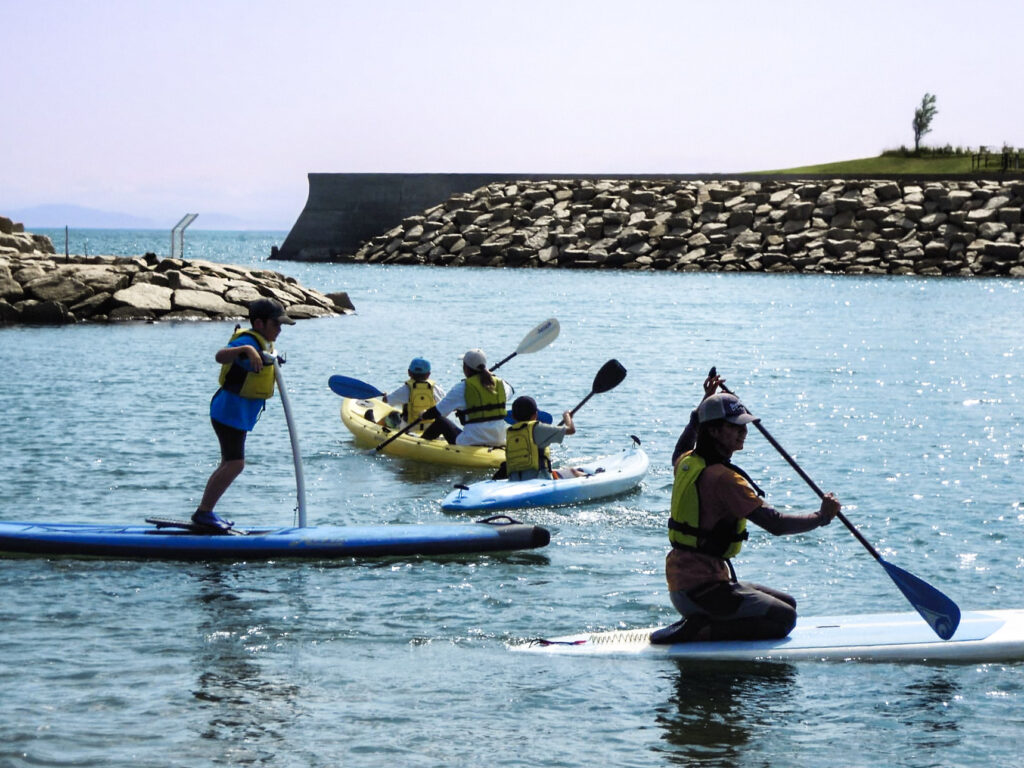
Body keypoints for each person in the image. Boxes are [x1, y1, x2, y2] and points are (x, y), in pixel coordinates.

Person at [654, 371, 841, 644]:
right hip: (700, 591)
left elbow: (682, 445)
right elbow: (775, 524)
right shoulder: (725, 479)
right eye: (736, 426)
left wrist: (702, 406)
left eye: (744, 425)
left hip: (689, 586)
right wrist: (822, 517)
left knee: (788, 603)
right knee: (784, 618)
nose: (744, 431)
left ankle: (703, 618)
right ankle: (701, 629)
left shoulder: (687, 462)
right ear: (715, 431)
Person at [193, 298, 295, 531]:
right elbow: (220, 356)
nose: (280, 329)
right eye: (276, 324)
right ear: (259, 323)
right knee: (236, 463)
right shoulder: (248, 341)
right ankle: (203, 513)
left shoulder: (265, 343)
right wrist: (246, 350)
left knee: (228, 463)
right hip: (228, 413)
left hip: (238, 415)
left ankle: (205, 512)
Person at [420, 349, 511, 446]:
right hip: (499, 440)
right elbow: (511, 391)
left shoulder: (462, 388)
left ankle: (419, 445)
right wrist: (491, 376)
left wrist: (423, 415)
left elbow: (437, 412)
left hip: (471, 441)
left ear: (465, 368)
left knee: (441, 422)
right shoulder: (501, 384)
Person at [502, 396, 577, 481]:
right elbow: (571, 430)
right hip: (539, 480)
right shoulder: (537, 428)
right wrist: (567, 416)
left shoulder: (510, 431)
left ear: (514, 417)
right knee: (573, 471)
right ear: (535, 415)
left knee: (565, 471)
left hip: (514, 480)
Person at [381, 357, 446, 428]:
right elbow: (446, 404)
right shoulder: (435, 388)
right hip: (431, 428)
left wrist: (385, 396)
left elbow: (386, 400)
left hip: (409, 428)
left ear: (409, 373)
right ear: (428, 374)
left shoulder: (405, 389)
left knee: (393, 415)